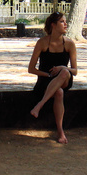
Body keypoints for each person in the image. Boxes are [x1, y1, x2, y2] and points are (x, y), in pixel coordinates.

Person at [28, 12, 77, 144]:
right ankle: (60, 131)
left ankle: (40, 105)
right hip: (46, 80)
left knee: (64, 73)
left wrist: (62, 67)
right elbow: (31, 69)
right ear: (53, 25)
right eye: (62, 22)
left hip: (65, 79)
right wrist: (48, 75)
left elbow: (75, 71)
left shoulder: (69, 44)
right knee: (59, 92)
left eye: (65, 21)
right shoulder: (42, 43)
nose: (65, 24)